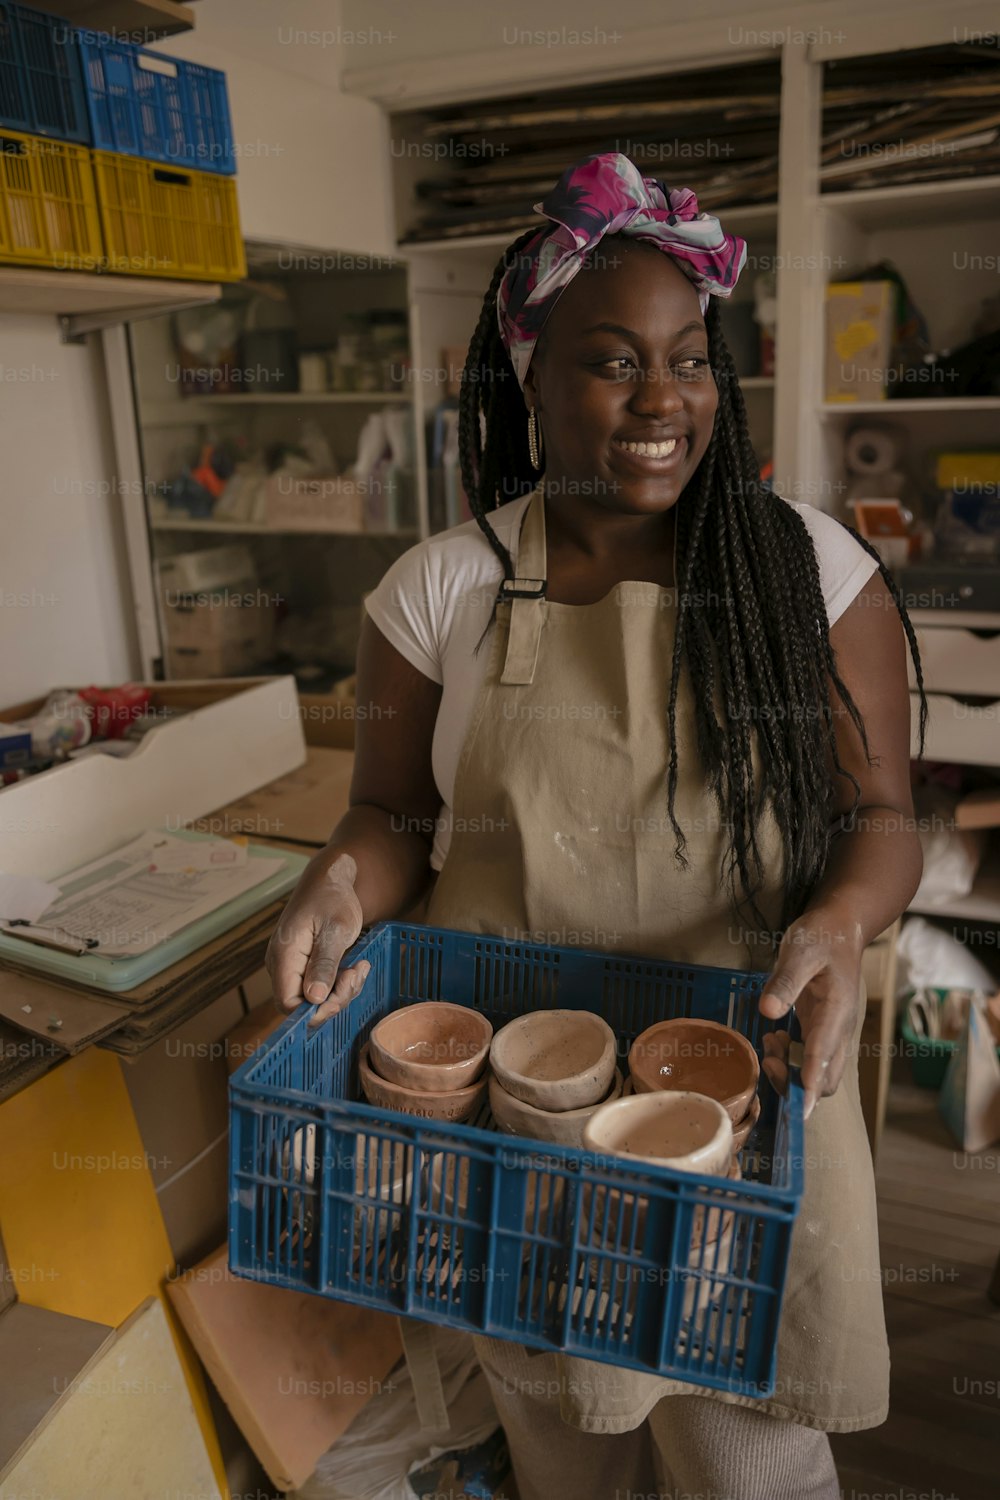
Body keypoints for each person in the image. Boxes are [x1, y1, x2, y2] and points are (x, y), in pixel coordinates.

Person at [267, 153, 925, 1500]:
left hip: (745, 1101)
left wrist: (841, 927)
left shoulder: (806, 569)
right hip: (529, 1120)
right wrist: (338, 884)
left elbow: (884, 817)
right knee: (561, 1441)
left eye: (689, 360)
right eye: (613, 362)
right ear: (529, 373)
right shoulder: (441, 588)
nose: (663, 402)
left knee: (748, 1458)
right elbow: (392, 813)